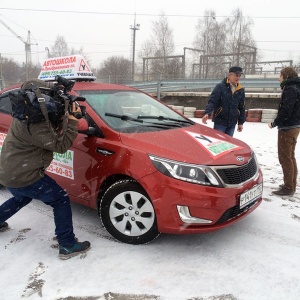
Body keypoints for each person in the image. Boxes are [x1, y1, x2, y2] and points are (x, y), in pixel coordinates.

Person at [0, 79, 91, 259]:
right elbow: (61, 145)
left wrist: (59, 94)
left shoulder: (27, 113)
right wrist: (72, 121)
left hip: (10, 171)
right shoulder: (35, 124)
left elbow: (34, 86)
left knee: (22, 197)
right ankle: (67, 244)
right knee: (60, 199)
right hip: (23, 174)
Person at [268, 67, 300, 196]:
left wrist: (275, 123)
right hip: (295, 126)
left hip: (288, 127)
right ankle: (291, 184)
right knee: (290, 157)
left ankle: (288, 187)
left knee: (285, 158)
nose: (278, 78)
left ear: (285, 76)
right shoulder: (296, 87)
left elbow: (286, 110)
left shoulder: (291, 89)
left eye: (280, 75)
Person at [202, 66, 246, 136]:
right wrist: (207, 113)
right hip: (220, 121)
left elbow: (242, 107)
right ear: (229, 75)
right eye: (236, 75)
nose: (237, 78)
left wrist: (240, 122)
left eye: (239, 75)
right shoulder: (220, 87)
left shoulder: (240, 90)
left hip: (232, 123)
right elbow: (212, 101)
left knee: (228, 144)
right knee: (218, 142)